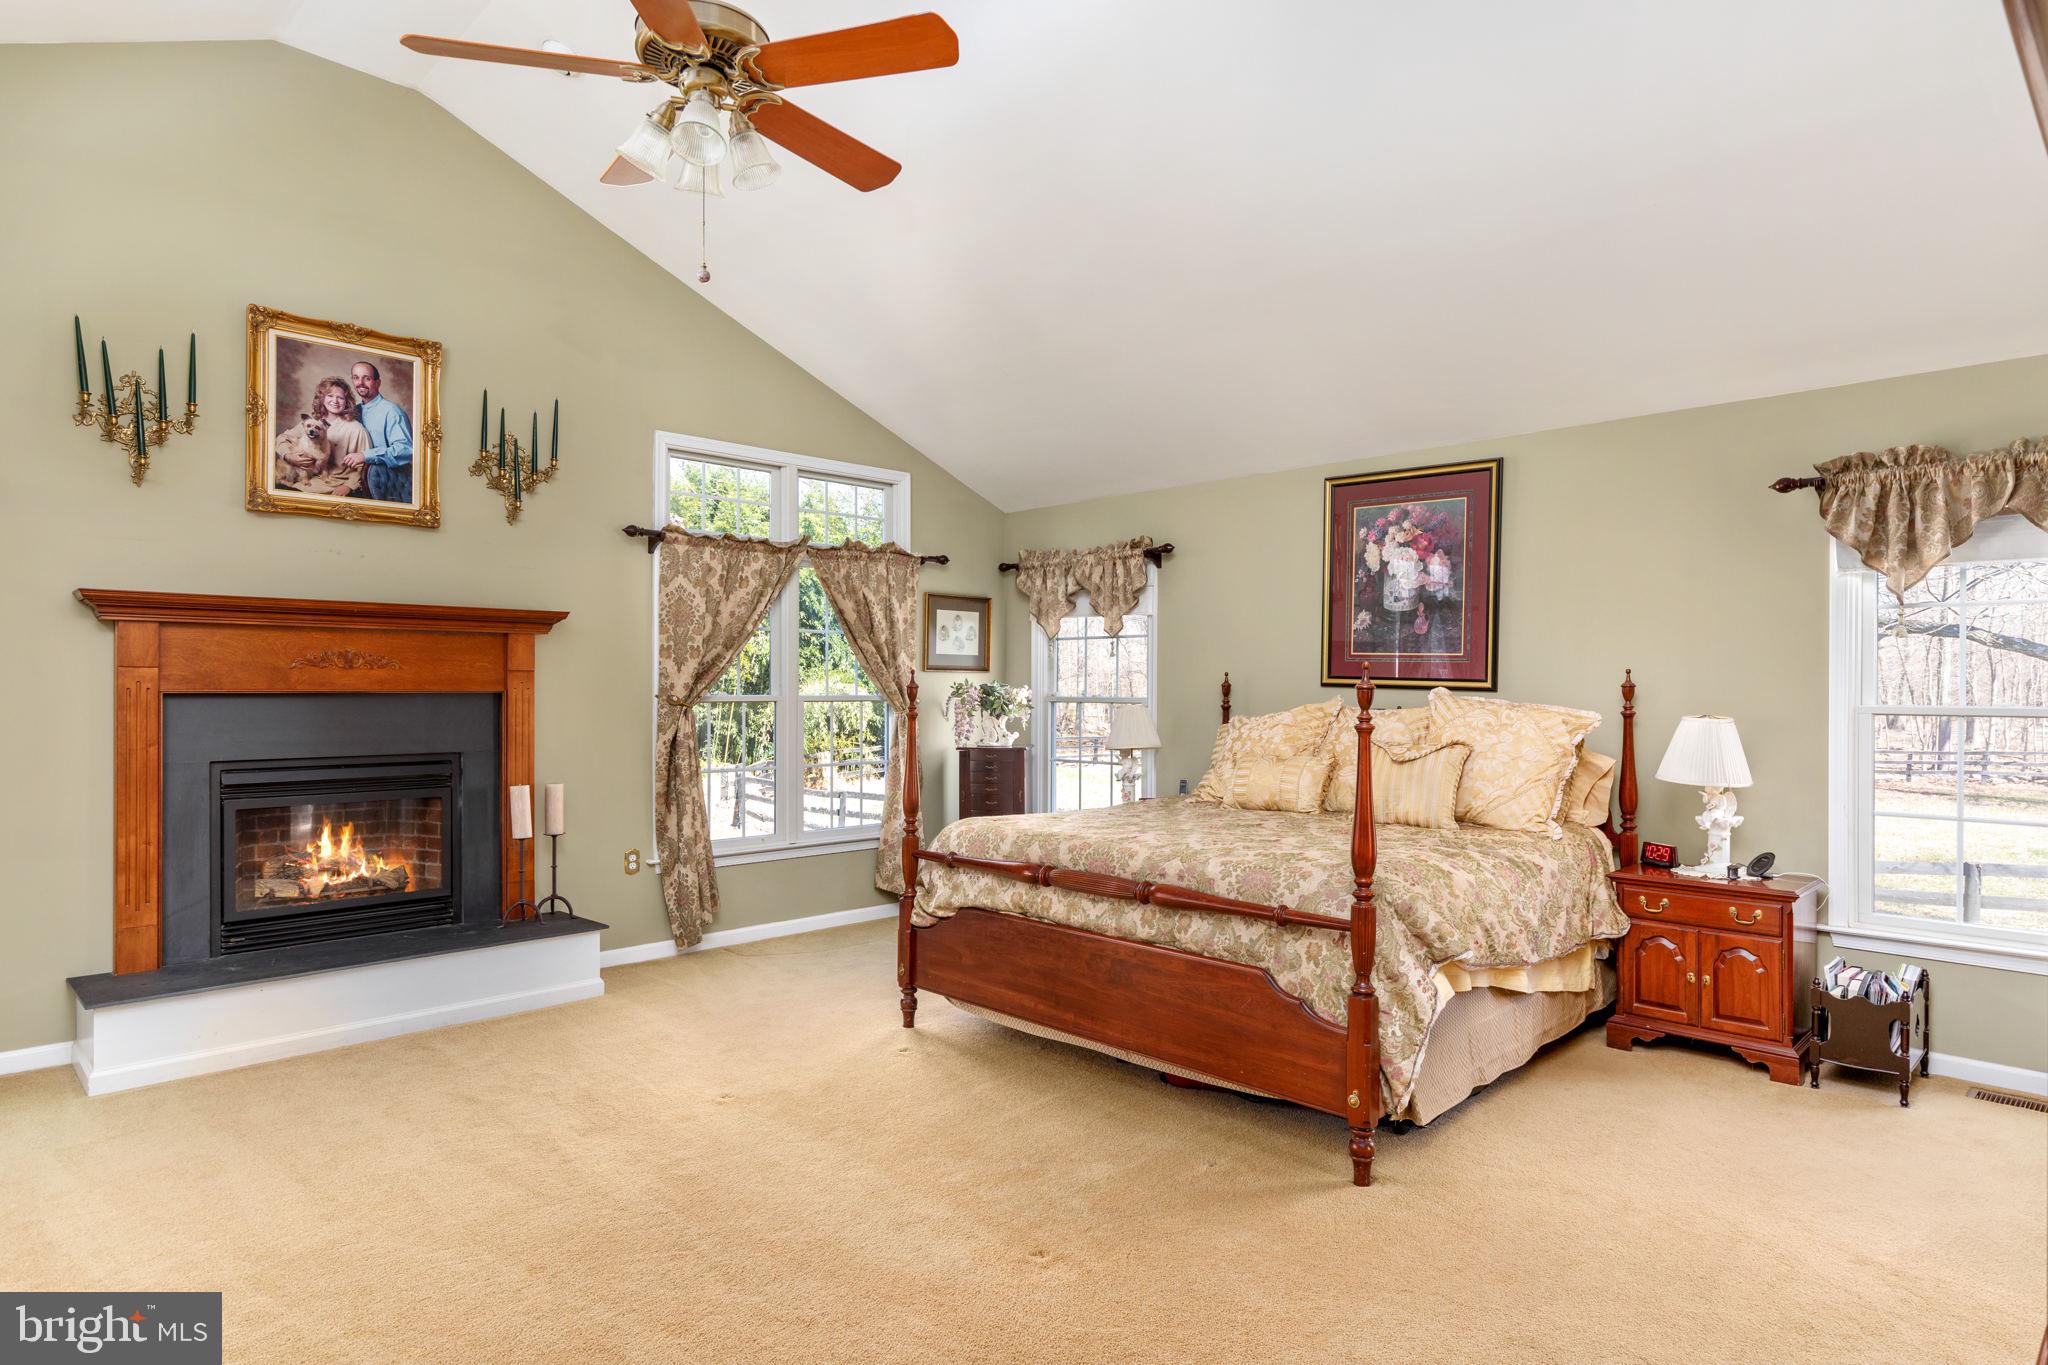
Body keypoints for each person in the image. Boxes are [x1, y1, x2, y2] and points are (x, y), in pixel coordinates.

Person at [273, 378, 371, 495]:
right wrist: (288, 456)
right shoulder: (312, 421)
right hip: (301, 477)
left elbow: (365, 465)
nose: (335, 401)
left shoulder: (356, 429)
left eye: (340, 398)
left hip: (332, 482)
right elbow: (283, 438)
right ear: (322, 398)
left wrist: (349, 486)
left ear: (347, 402)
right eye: (330, 396)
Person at [339, 360, 413, 503]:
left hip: (384, 481)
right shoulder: (353, 411)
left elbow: (405, 450)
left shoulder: (392, 411)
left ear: (378, 382)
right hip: (352, 477)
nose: (360, 383)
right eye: (356, 377)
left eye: (366, 378)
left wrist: (365, 455)